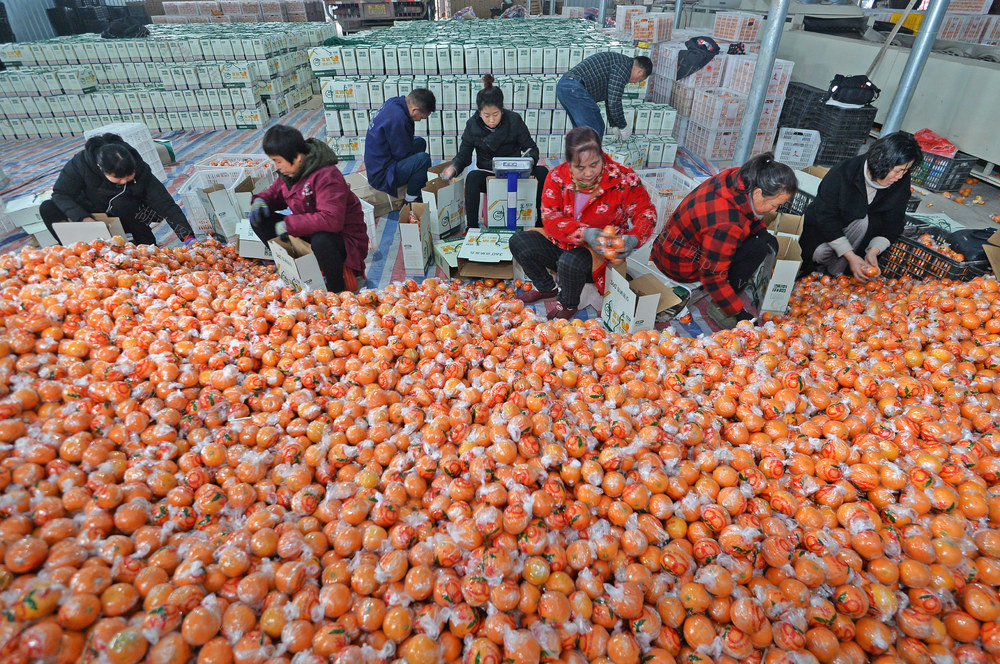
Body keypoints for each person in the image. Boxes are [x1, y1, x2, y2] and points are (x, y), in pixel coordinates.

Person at [509, 127, 656, 319]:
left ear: (602, 155)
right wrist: (585, 233)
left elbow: (645, 212)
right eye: (580, 167)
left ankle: (569, 303)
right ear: (569, 162)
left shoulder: (622, 179)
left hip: (599, 254)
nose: (588, 173)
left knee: (569, 262)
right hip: (562, 243)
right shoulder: (556, 178)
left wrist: (633, 239)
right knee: (519, 241)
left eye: (594, 164)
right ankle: (547, 287)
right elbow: (551, 219)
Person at [650, 152, 797, 328]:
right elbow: (711, 275)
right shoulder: (727, 224)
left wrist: (761, 230)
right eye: (774, 205)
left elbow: (749, 214)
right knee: (757, 248)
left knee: (761, 238)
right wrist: (737, 310)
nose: (775, 210)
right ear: (758, 194)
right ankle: (719, 308)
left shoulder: (738, 178)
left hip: (668, 247)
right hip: (680, 265)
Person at [249, 125, 369, 292]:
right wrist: (260, 201)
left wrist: (288, 225)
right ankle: (293, 265)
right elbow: (275, 193)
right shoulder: (290, 173)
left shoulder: (327, 175)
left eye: (278, 161)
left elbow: (331, 220)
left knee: (322, 240)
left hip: (341, 238)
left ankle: (337, 290)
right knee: (260, 218)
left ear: (298, 157)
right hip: (309, 229)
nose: (278, 166)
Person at [800, 131, 922, 282]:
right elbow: (825, 218)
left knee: (864, 222)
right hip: (823, 236)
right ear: (882, 161)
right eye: (898, 170)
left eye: (906, 170)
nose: (900, 176)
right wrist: (850, 256)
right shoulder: (843, 173)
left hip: (860, 245)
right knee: (821, 252)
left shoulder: (901, 183)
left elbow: (894, 223)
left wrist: (873, 251)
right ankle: (822, 272)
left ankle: (836, 278)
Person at [41, 133, 195, 246]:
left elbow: (165, 204)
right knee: (48, 208)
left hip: (128, 212)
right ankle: (73, 247)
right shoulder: (80, 164)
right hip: (89, 209)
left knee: (125, 203)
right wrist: (83, 218)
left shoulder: (139, 167)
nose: (124, 182)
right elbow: (61, 194)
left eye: (129, 177)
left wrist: (188, 237)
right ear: (101, 168)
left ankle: (146, 246)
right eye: (118, 178)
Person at [441, 74, 548, 229]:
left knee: (543, 173)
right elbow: (464, 155)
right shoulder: (472, 125)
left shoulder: (514, 120)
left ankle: (540, 223)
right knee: (472, 178)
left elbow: (531, 148)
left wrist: (529, 160)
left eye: (496, 114)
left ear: (502, 110)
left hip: (518, 174)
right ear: (479, 112)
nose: (491, 120)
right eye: (486, 115)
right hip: (491, 174)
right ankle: (472, 228)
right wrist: (454, 167)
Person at [556, 53, 652, 141]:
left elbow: (609, 97)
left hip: (565, 86)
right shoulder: (624, 68)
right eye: (639, 80)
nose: (635, 82)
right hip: (574, 89)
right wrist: (623, 126)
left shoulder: (621, 63)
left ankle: (579, 159)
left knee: (582, 133)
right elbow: (614, 101)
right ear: (640, 72)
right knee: (594, 130)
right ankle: (589, 159)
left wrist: (614, 124)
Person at [363, 88, 436, 203]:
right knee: (423, 160)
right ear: (415, 110)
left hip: (381, 160)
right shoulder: (399, 120)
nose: (420, 120)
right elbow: (402, 154)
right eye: (422, 117)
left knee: (420, 142)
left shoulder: (395, 102)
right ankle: (410, 199)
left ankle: (413, 180)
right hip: (382, 175)